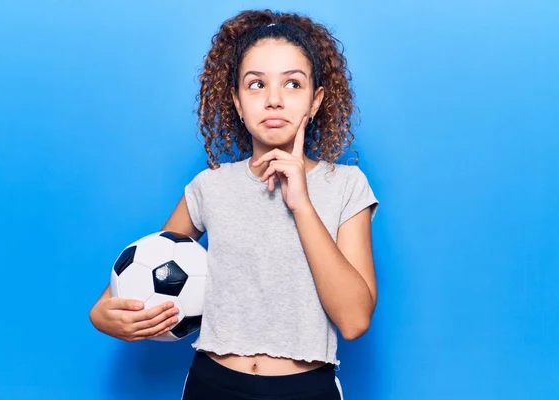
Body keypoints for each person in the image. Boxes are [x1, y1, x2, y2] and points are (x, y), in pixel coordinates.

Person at [90, 9, 379, 399]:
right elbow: (146, 268)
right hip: (213, 384)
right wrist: (102, 315)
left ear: (315, 101)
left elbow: (354, 320)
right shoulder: (210, 187)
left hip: (305, 388)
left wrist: (303, 206)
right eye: (256, 84)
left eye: (293, 84)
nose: (274, 100)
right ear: (237, 102)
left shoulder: (346, 185)